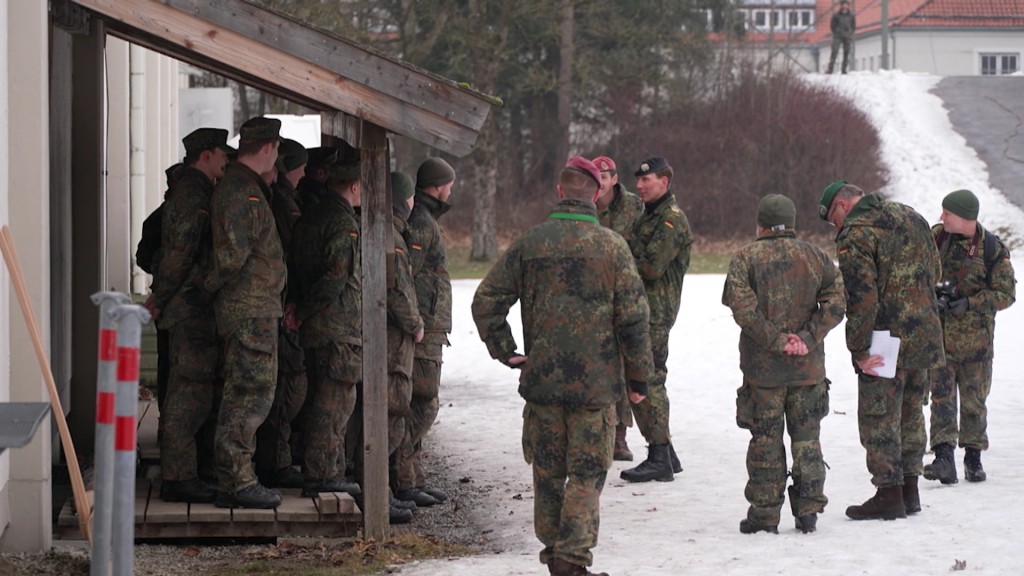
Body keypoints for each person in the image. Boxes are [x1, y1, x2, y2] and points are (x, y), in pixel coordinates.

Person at [472, 156, 654, 576]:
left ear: (559, 192)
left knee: (548, 474)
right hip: (595, 388)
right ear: (595, 194)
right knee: (587, 474)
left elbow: (486, 301)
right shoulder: (612, 247)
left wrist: (507, 351)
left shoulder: (530, 242)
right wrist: (640, 377)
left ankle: (557, 555)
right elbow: (634, 319)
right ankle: (571, 560)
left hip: (544, 383)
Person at [818, 180, 945, 520]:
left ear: (843, 206)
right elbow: (936, 271)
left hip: (885, 340)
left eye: (833, 219)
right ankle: (910, 490)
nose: (836, 227)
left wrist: (859, 349)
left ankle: (889, 494)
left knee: (879, 417)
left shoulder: (856, 234)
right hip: (925, 333)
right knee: (911, 412)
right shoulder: (911, 216)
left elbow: (861, 297)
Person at [723, 194, 846, 535]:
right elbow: (837, 302)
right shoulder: (815, 256)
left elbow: (744, 311)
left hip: (764, 375)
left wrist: (778, 342)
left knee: (765, 442)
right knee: (807, 440)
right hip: (808, 371)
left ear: (759, 223)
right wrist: (807, 337)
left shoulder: (746, 258)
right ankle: (808, 511)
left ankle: (764, 515)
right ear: (792, 223)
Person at [201, 117, 287, 509]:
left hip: (255, 307)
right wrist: (205, 290)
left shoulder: (243, 186)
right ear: (268, 148)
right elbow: (231, 258)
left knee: (248, 392)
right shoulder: (241, 191)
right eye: (278, 149)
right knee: (248, 394)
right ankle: (236, 481)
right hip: (248, 310)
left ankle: (237, 477)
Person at [146, 129, 232, 504]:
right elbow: (177, 256)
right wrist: (159, 298)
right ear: (207, 155)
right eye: (222, 154)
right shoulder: (190, 195)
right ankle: (178, 477)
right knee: (187, 392)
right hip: (187, 308)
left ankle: (185, 471)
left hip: (194, 306)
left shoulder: (199, 191)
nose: (226, 161)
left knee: (196, 390)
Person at [923, 190, 1016, 484]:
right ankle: (943, 458)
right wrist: (932, 296)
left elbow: (1006, 294)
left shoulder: (991, 249)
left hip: (976, 343)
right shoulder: (936, 237)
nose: (941, 217)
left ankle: (973, 458)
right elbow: (917, 272)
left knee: (975, 401)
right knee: (941, 399)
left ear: (964, 217)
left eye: (947, 213)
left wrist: (970, 303)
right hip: (940, 339)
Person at [289, 160, 364, 500]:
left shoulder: (312, 215)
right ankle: (322, 474)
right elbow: (336, 276)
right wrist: (304, 310)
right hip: (335, 324)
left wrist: (300, 307)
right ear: (354, 187)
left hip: (318, 323)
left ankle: (322, 470)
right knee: (334, 401)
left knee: (322, 396)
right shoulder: (341, 221)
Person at [620, 156, 692, 483]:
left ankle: (659, 454)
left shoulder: (671, 221)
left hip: (654, 313)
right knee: (647, 377)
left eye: (646, 181)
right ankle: (666, 453)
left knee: (647, 379)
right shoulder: (647, 217)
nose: (639, 186)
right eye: (637, 181)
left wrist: (618, 257)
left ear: (664, 182)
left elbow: (650, 266)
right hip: (641, 310)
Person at [393, 157, 457, 506]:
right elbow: (406, 276)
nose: (451, 190)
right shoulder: (421, 223)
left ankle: (411, 474)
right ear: (436, 186)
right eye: (448, 183)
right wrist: (415, 321)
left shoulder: (427, 218)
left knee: (423, 401)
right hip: (422, 330)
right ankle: (402, 476)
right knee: (421, 402)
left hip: (430, 326)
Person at [255, 139, 309, 490]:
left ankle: (276, 459)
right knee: (284, 385)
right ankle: (273, 462)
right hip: (277, 307)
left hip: (278, 304)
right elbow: (293, 256)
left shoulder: (279, 199)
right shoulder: (282, 204)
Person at [591, 155, 644, 461]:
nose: (600, 182)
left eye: (605, 176)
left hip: (624, 295)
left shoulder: (634, 207)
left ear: (614, 178)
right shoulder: (584, 206)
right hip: (592, 298)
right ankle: (597, 432)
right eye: (595, 177)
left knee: (625, 367)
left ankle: (619, 436)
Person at [384, 171, 425, 522]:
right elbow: (398, 290)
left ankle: (382, 490)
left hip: (393, 337)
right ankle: (379, 492)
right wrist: (415, 324)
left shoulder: (395, 231)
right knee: (391, 412)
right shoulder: (393, 238)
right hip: (394, 340)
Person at [136, 162, 184, 414]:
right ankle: (168, 420)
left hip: (168, 297)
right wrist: (163, 265)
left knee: (168, 362)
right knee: (170, 364)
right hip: (169, 298)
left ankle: (167, 421)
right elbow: (143, 257)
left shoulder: (162, 214)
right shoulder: (162, 217)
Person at [827, 0, 856, 75]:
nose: (845, 6)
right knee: (834, 51)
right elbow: (832, 25)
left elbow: (853, 26)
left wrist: (850, 33)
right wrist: (836, 32)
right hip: (837, 36)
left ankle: (844, 69)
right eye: (844, 4)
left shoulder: (851, 15)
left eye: (846, 4)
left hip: (847, 35)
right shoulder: (836, 15)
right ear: (841, 5)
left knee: (846, 52)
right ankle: (830, 68)